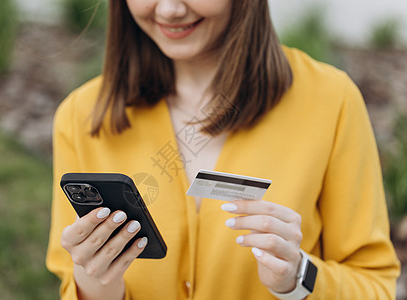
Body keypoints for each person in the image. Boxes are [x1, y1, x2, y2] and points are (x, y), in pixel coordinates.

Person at [46, 0, 401, 299]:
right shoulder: (81, 116)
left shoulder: (331, 101)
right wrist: (93, 284)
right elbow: (71, 280)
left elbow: (374, 283)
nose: (169, 9)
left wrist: (298, 277)